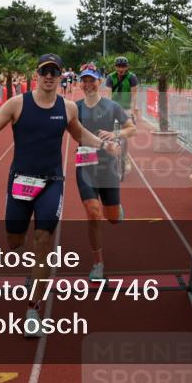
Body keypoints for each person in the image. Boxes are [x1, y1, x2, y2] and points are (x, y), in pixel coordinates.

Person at [0, 53, 118, 336]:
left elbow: (80, 135)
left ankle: (33, 309)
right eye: (45, 72)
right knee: (15, 242)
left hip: (52, 182)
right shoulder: (17, 104)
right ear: (37, 74)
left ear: (61, 75)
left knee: (43, 242)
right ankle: (30, 269)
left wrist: (104, 145)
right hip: (20, 182)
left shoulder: (67, 108)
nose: (50, 76)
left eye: (55, 72)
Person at [74, 65, 136, 281]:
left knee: (111, 219)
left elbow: (132, 128)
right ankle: (98, 264)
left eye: (92, 80)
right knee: (93, 212)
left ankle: (115, 209)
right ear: (80, 83)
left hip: (108, 166)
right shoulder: (75, 107)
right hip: (85, 165)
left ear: (99, 82)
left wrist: (116, 133)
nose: (88, 84)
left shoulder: (111, 106)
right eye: (85, 80)